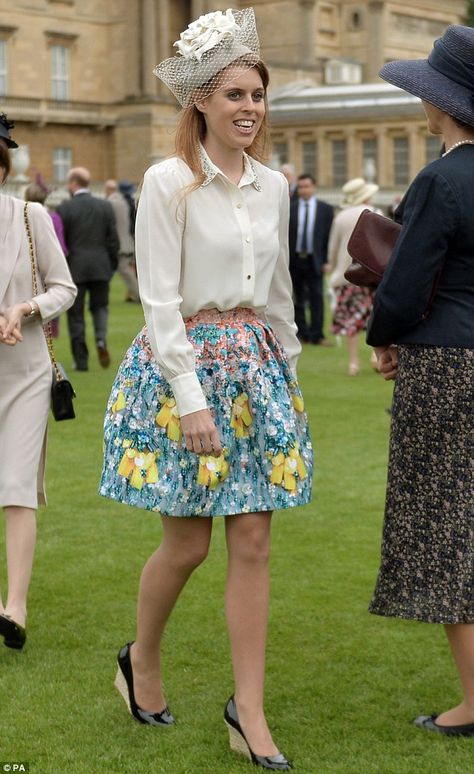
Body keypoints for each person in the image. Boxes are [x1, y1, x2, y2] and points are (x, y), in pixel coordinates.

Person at [99, 7, 312, 770]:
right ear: (201, 102)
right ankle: (141, 660)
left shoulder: (275, 185)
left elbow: (279, 290)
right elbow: (158, 299)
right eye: (233, 95)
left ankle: (247, 710)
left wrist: (288, 377)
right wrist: (189, 397)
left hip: (256, 368)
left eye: (257, 95)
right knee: (186, 544)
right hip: (182, 368)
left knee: (252, 539)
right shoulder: (168, 182)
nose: (248, 108)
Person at [367, 24, 474, 737]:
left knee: (448, 530)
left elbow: (405, 285)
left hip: (446, 363)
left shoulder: (442, 177)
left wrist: (383, 336)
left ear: (442, 103)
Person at [0, 114, 76, 650]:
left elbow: (63, 287)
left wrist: (27, 307)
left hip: (26, 371)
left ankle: (17, 606)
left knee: (17, 487)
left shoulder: (30, 216)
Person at [57, 167, 119, 371]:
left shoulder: (65, 208)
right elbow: (113, 240)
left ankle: (81, 360)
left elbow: (60, 242)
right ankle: (101, 340)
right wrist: (111, 265)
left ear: (74, 183)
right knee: (100, 307)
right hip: (101, 266)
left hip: (75, 268)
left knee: (76, 315)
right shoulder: (105, 206)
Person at [328, 177, 379, 375]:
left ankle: (353, 363)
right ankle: (375, 355)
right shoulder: (375, 213)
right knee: (374, 317)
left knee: (351, 322)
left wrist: (333, 267)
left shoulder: (340, 217)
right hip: (371, 275)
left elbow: (333, 248)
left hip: (347, 276)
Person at [288, 173, 333, 344]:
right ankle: (303, 333)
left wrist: (327, 260)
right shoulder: (290, 208)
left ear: (313, 187)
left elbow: (328, 237)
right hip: (295, 259)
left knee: (317, 298)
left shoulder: (325, 209)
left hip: (315, 260)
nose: (304, 190)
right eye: (301, 187)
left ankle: (317, 335)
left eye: (307, 186)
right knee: (297, 298)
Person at [24, 177, 69, 338]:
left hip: (30, 267)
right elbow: (61, 245)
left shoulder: (23, 216)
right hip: (50, 264)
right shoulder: (54, 217)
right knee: (53, 295)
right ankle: (51, 327)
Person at [104, 179, 140, 303]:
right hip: (127, 242)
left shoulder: (113, 202)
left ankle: (139, 295)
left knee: (125, 270)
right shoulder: (124, 202)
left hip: (119, 244)